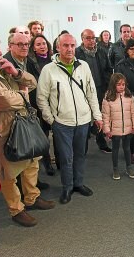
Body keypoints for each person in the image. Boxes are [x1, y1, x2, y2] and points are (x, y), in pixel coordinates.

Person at [0, 35, 56, 228]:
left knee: (31, 162)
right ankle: (16, 209)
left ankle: (32, 198)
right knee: (8, 173)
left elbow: (32, 83)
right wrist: (23, 94)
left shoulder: (1, 70)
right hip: (2, 131)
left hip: (23, 124)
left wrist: (16, 73)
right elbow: (7, 101)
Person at [37, 33, 103, 204]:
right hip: (62, 123)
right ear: (58, 47)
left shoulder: (84, 66)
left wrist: (97, 116)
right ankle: (67, 187)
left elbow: (91, 93)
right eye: (65, 45)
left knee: (80, 154)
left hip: (83, 121)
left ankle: (78, 183)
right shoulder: (48, 70)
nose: (69, 49)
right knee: (66, 157)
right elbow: (41, 98)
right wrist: (51, 120)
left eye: (72, 45)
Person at [3, 33, 51, 190]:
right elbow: (7, 97)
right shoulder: (6, 63)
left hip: (27, 110)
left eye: (26, 44)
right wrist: (23, 94)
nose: (24, 47)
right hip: (13, 116)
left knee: (31, 153)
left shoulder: (25, 61)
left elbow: (33, 83)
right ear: (10, 46)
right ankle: (23, 196)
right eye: (20, 44)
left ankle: (32, 189)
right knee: (19, 153)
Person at [76, 29, 113, 154]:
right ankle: (83, 145)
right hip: (83, 92)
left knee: (100, 116)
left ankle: (101, 142)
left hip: (100, 88)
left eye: (93, 38)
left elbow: (108, 69)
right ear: (82, 39)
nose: (91, 40)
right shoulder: (77, 53)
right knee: (85, 118)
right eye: (88, 38)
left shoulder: (101, 52)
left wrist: (107, 85)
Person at [27, 34, 59, 175]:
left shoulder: (55, 60)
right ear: (33, 48)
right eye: (38, 44)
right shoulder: (30, 63)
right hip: (39, 102)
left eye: (44, 43)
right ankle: (47, 163)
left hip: (55, 102)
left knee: (58, 134)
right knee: (44, 136)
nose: (42, 46)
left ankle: (59, 160)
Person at [102, 73, 134, 180]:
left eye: (123, 84)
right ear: (113, 85)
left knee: (127, 149)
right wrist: (107, 130)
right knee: (115, 150)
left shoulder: (129, 96)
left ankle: (129, 167)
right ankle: (115, 168)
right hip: (115, 130)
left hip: (128, 129)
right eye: (119, 84)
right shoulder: (108, 97)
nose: (121, 87)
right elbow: (105, 115)